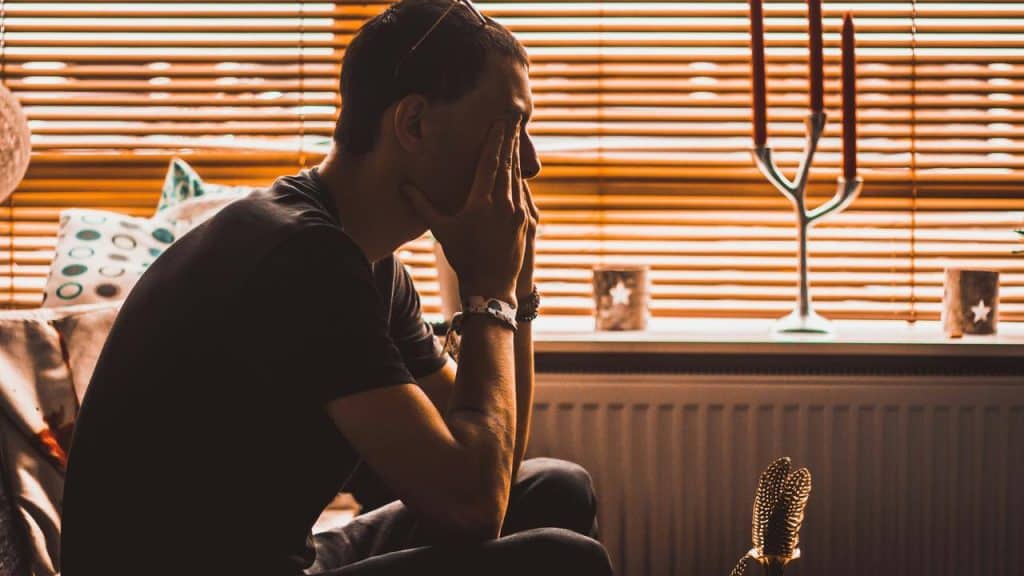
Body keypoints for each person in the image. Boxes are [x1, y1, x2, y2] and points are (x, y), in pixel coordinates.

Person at [61, 0, 613, 574]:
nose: (530, 163)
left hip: (286, 556)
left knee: (555, 486)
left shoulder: (367, 264)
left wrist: (515, 292)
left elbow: (491, 462)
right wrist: (487, 291)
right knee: (564, 559)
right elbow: (471, 506)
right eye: (510, 127)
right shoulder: (301, 257)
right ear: (414, 123)